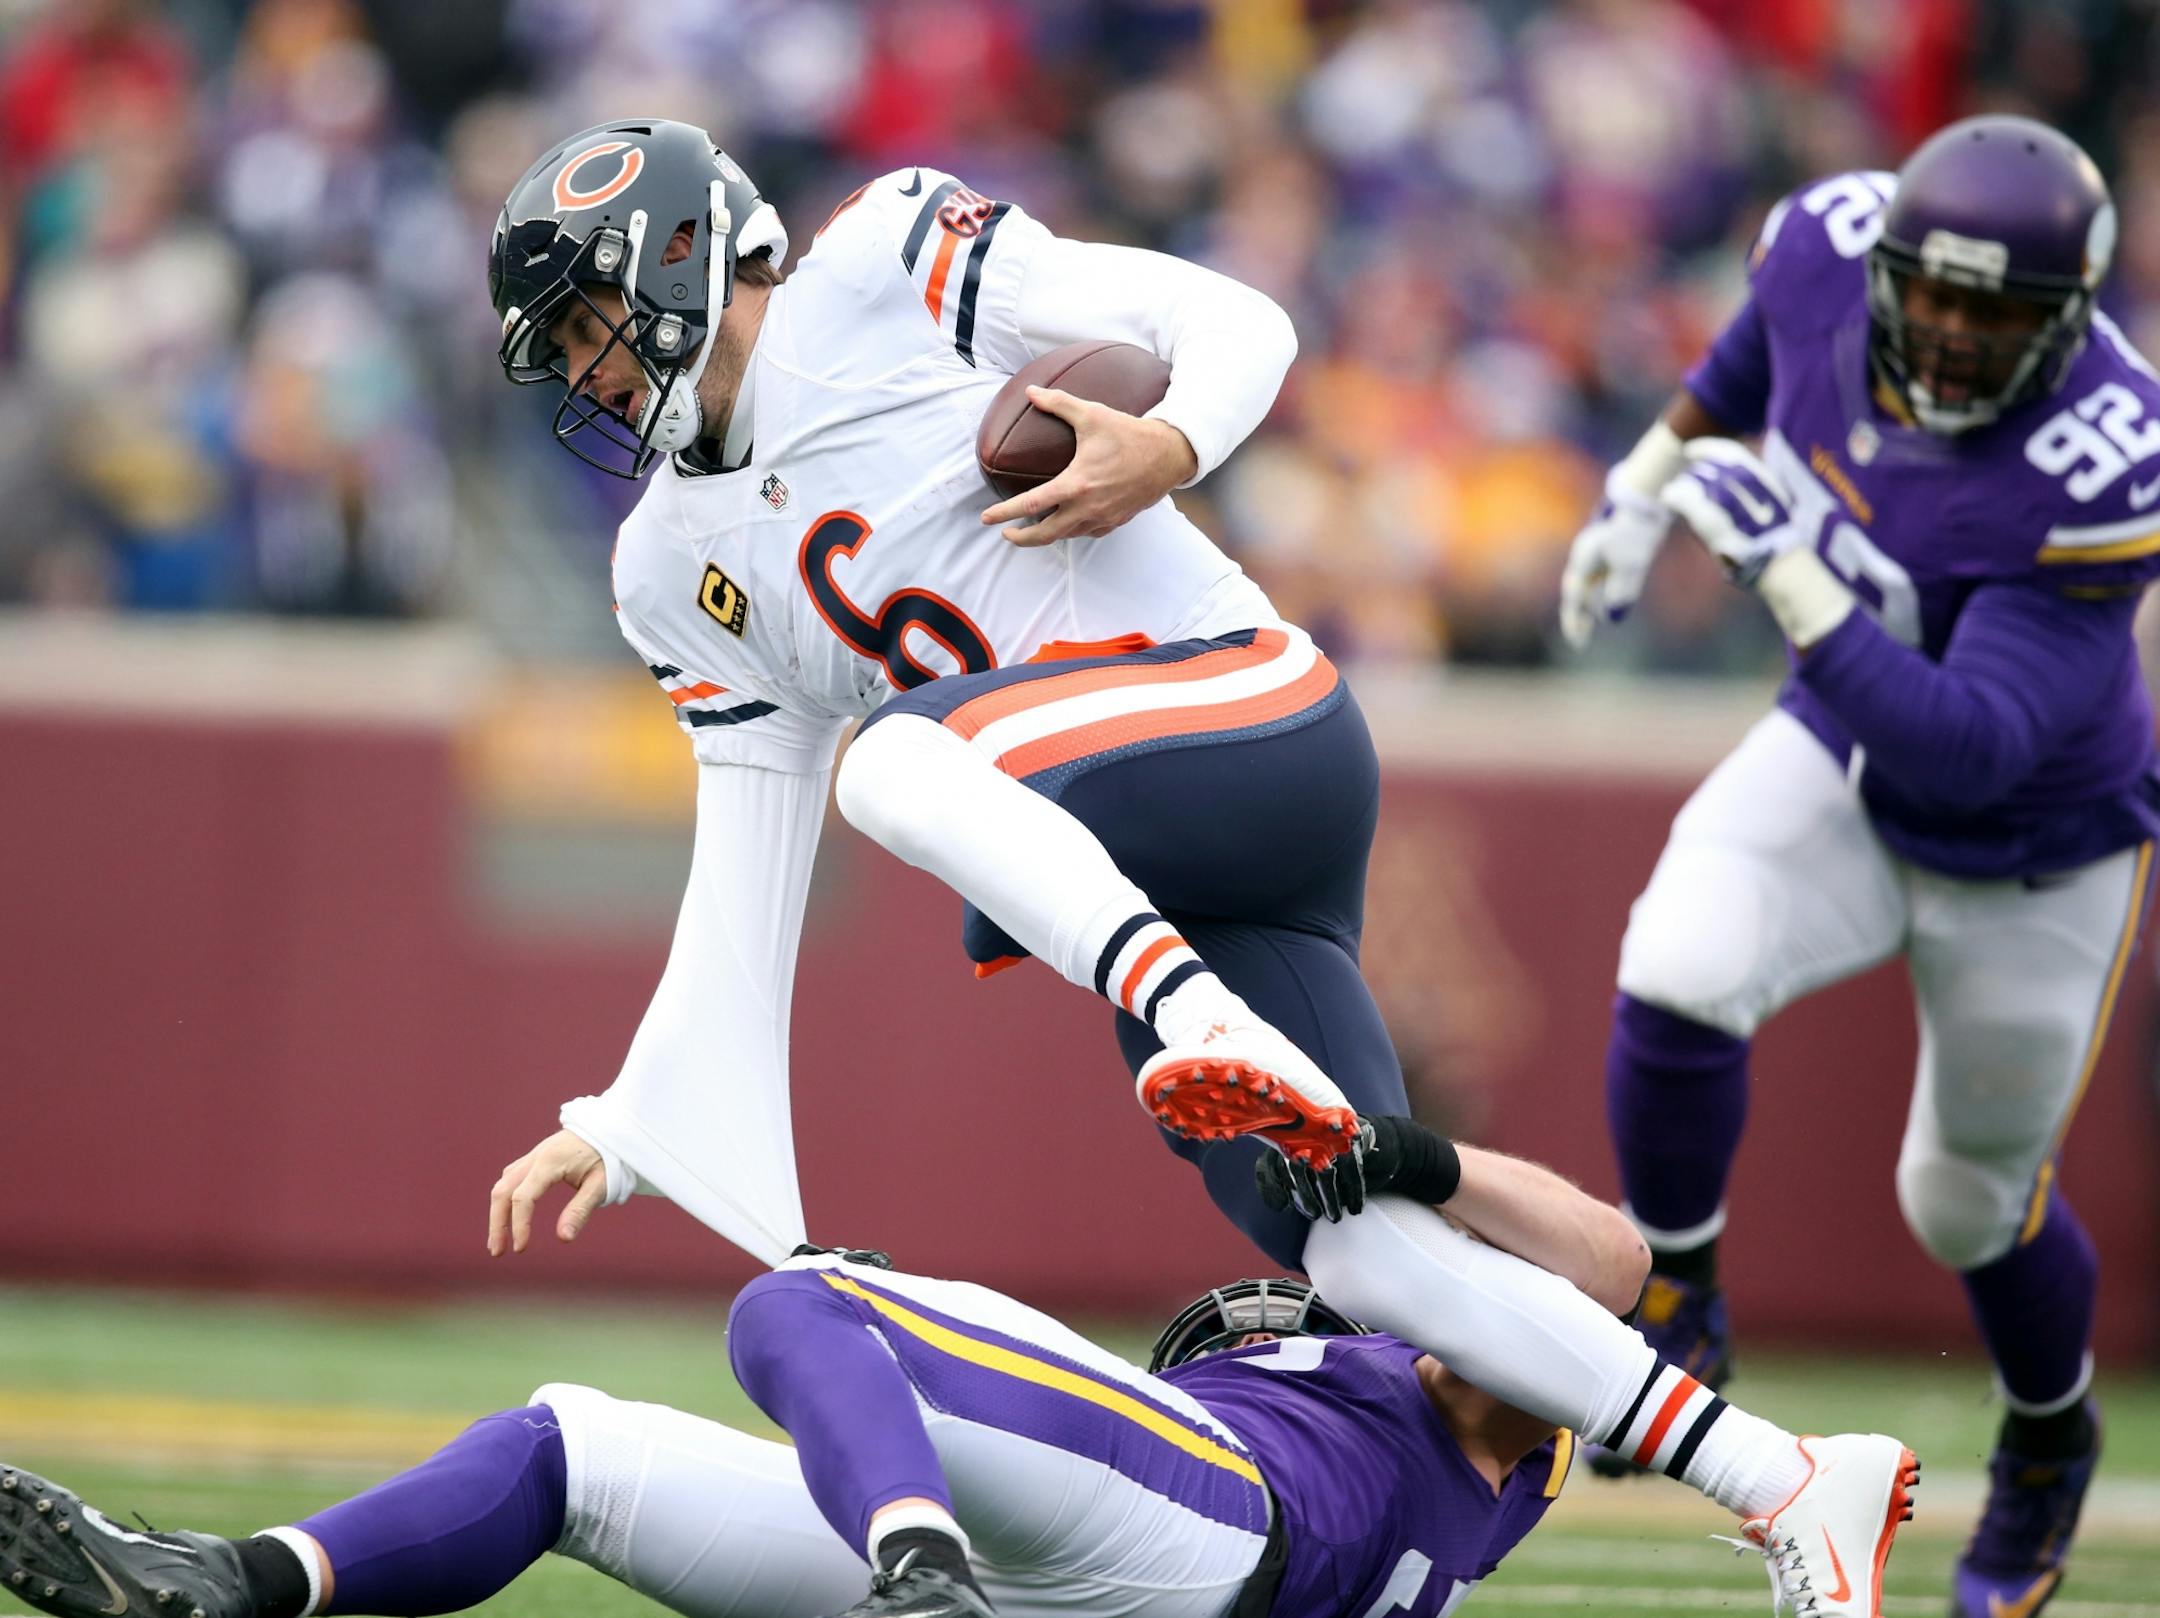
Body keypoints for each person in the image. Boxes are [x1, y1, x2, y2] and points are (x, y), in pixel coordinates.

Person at [475, 121, 1910, 1572]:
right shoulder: (664, 565)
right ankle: (1786, 1475)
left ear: (680, 256)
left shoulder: (882, 259)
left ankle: (1194, 1015)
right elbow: (747, 853)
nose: (593, 372)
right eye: (568, 349)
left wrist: (1165, 444)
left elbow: (1228, 319)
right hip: (1145, 863)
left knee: (898, 756)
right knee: (1360, 1249)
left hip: (1241, 713)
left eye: (595, 322)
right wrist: (633, 1113)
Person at [0, 1126, 1919, 1618]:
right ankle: (236, 1583)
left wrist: (1417, 1160)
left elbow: (1606, 1268)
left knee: (803, 1299)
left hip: (1218, 1523)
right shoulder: (1420, 1403)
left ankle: (908, 1566)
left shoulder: (1511, 1401)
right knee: (570, 1447)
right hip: (1139, 1552)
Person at [1557, 114, 2153, 1618]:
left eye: (1996, 312)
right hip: (1840, 750)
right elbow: (1741, 374)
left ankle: (2045, 1433)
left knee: (1962, 1198)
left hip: (2033, 848)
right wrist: (1638, 487)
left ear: (2071, 321)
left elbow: (1973, 745)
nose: (1951, 336)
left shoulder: (2101, 453)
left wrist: (1789, 575)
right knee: (1677, 957)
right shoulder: (1824, 247)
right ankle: (1680, 1288)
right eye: (1934, 297)